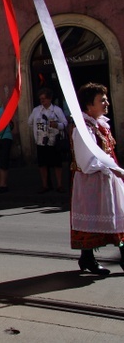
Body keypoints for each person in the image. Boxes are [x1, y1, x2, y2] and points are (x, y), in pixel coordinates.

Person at [70, 83, 124, 276]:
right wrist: (112, 168)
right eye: (101, 100)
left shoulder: (100, 124)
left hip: (107, 179)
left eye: (106, 98)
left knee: (116, 216)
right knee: (94, 218)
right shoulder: (83, 129)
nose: (106, 102)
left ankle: (87, 258)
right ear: (88, 105)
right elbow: (87, 162)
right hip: (91, 181)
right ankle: (88, 257)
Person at [28, 88, 68, 193]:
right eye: (40, 98)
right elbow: (30, 122)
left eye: (44, 98)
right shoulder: (36, 110)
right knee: (42, 164)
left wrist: (57, 125)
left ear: (50, 99)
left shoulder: (56, 110)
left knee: (57, 164)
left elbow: (64, 123)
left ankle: (59, 185)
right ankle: (45, 185)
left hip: (54, 141)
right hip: (41, 141)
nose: (42, 101)